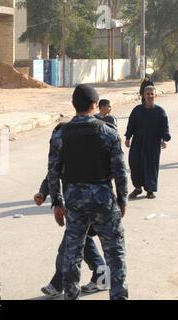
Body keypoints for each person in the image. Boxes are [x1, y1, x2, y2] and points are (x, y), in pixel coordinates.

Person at [48, 84, 128, 300]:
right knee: (115, 254)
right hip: (103, 200)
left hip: (75, 203)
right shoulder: (108, 133)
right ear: (94, 105)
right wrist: (122, 200)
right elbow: (120, 171)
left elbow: (53, 172)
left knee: (72, 255)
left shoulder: (60, 135)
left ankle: (70, 296)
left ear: (74, 105)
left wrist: (57, 203)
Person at [35, 123, 107, 297]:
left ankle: (57, 284)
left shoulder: (80, 153)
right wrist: (43, 193)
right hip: (75, 208)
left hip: (88, 205)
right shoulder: (62, 154)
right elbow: (51, 175)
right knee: (83, 242)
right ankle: (102, 276)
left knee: (68, 246)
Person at [125, 86, 171, 199]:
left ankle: (150, 190)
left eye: (152, 94)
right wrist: (128, 137)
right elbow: (131, 124)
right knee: (135, 164)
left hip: (153, 143)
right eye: (148, 94)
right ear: (143, 95)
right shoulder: (137, 110)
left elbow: (164, 128)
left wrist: (164, 139)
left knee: (151, 166)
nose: (150, 96)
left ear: (155, 95)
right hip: (138, 142)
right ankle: (137, 188)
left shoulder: (160, 112)